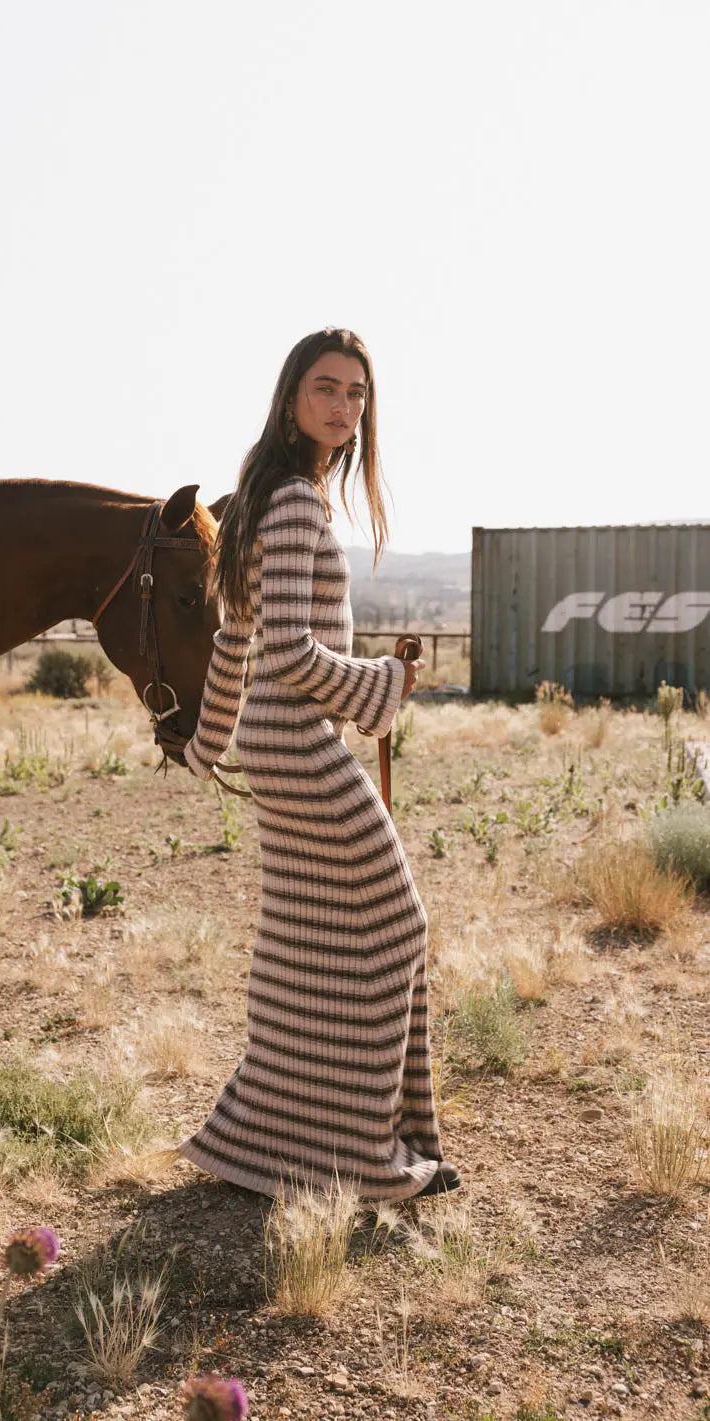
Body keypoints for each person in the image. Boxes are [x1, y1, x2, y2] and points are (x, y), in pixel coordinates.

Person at [176, 327, 460, 1200]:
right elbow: (291, 653)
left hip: (277, 742)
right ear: (291, 394)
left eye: (358, 394)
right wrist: (389, 679)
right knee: (396, 926)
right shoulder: (296, 500)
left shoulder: (258, 495)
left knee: (307, 941)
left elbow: (237, 638)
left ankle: (271, 1145)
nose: (345, 407)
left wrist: (210, 740)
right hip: (302, 741)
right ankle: (360, 1157)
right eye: (327, 388)